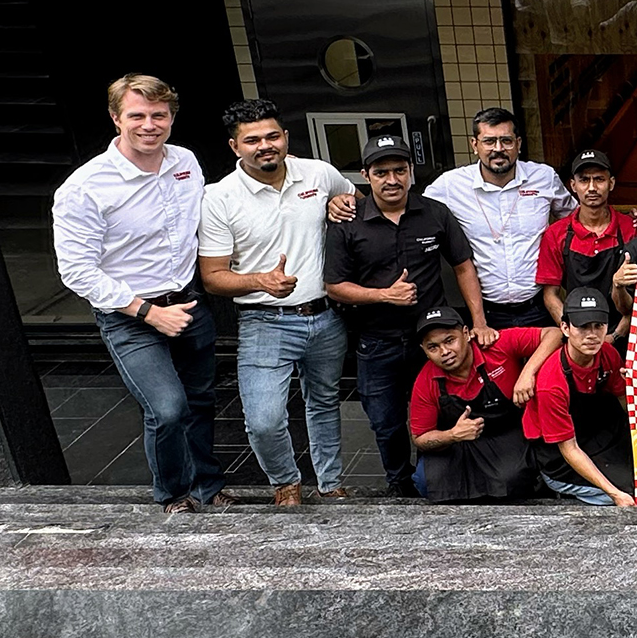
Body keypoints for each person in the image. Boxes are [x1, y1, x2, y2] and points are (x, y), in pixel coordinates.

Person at [51, 74, 231, 514]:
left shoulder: (185, 161)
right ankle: (173, 493)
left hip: (188, 301)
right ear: (116, 118)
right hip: (130, 314)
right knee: (167, 409)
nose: (149, 124)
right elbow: (76, 270)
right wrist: (147, 311)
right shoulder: (85, 187)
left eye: (159, 115)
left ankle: (208, 485)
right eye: (137, 115)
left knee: (202, 400)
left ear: (171, 117)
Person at [197, 99, 358, 506]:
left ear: (285, 137)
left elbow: (356, 202)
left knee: (323, 402)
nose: (265, 145)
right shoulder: (219, 198)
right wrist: (260, 282)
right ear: (235, 147)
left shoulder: (319, 174)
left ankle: (330, 482)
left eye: (272, 136)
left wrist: (341, 203)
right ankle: (286, 481)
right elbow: (212, 277)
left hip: (325, 316)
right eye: (252, 140)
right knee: (265, 420)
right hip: (264, 321)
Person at [325, 135, 481, 497]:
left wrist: (479, 321)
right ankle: (399, 483)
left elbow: (463, 267)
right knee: (386, 423)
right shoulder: (348, 222)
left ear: (411, 172)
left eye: (400, 170)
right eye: (381, 172)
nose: (391, 180)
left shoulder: (435, 213)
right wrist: (384, 295)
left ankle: (447, 475)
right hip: (377, 342)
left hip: (432, 341)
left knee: (445, 412)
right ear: (366, 174)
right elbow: (334, 286)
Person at [424, 106, 575, 332]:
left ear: (519, 144)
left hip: (540, 306)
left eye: (506, 141)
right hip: (485, 315)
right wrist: (355, 202)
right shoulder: (451, 185)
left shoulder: (543, 177)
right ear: (474, 145)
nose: (498, 149)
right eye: (489, 141)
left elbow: (577, 218)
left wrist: (636, 219)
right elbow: (412, 213)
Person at [408, 305, 563, 503]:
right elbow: (420, 438)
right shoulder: (425, 382)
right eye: (433, 347)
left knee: (514, 480)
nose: (445, 351)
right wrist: (452, 435)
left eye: (450, 340)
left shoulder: (496, 346)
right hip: (458, 443)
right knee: (425, 483)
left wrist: (527, 372)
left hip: (505, 434)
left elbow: (555, 334)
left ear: (466, 333)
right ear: (424, 351)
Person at [523, 286, 636, 506]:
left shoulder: (608, 354)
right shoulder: (551, 383)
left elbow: (625, 404)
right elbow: (569, 449)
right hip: (560, 454)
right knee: (628, 493)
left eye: (598, 326)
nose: (592, 335)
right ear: (565, 328)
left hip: (597, 432)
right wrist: (616, 495)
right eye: (582, 327)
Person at [537, 149, 637, 337]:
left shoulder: (631, 229)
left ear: (611, 183)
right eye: (584, 180)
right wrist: (574, 331)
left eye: (599, 179)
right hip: (577, 335)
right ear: (573, 185)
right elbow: (550, 296)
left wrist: (614, 336)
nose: (592, 188)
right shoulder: (556, 234)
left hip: (624, 333)